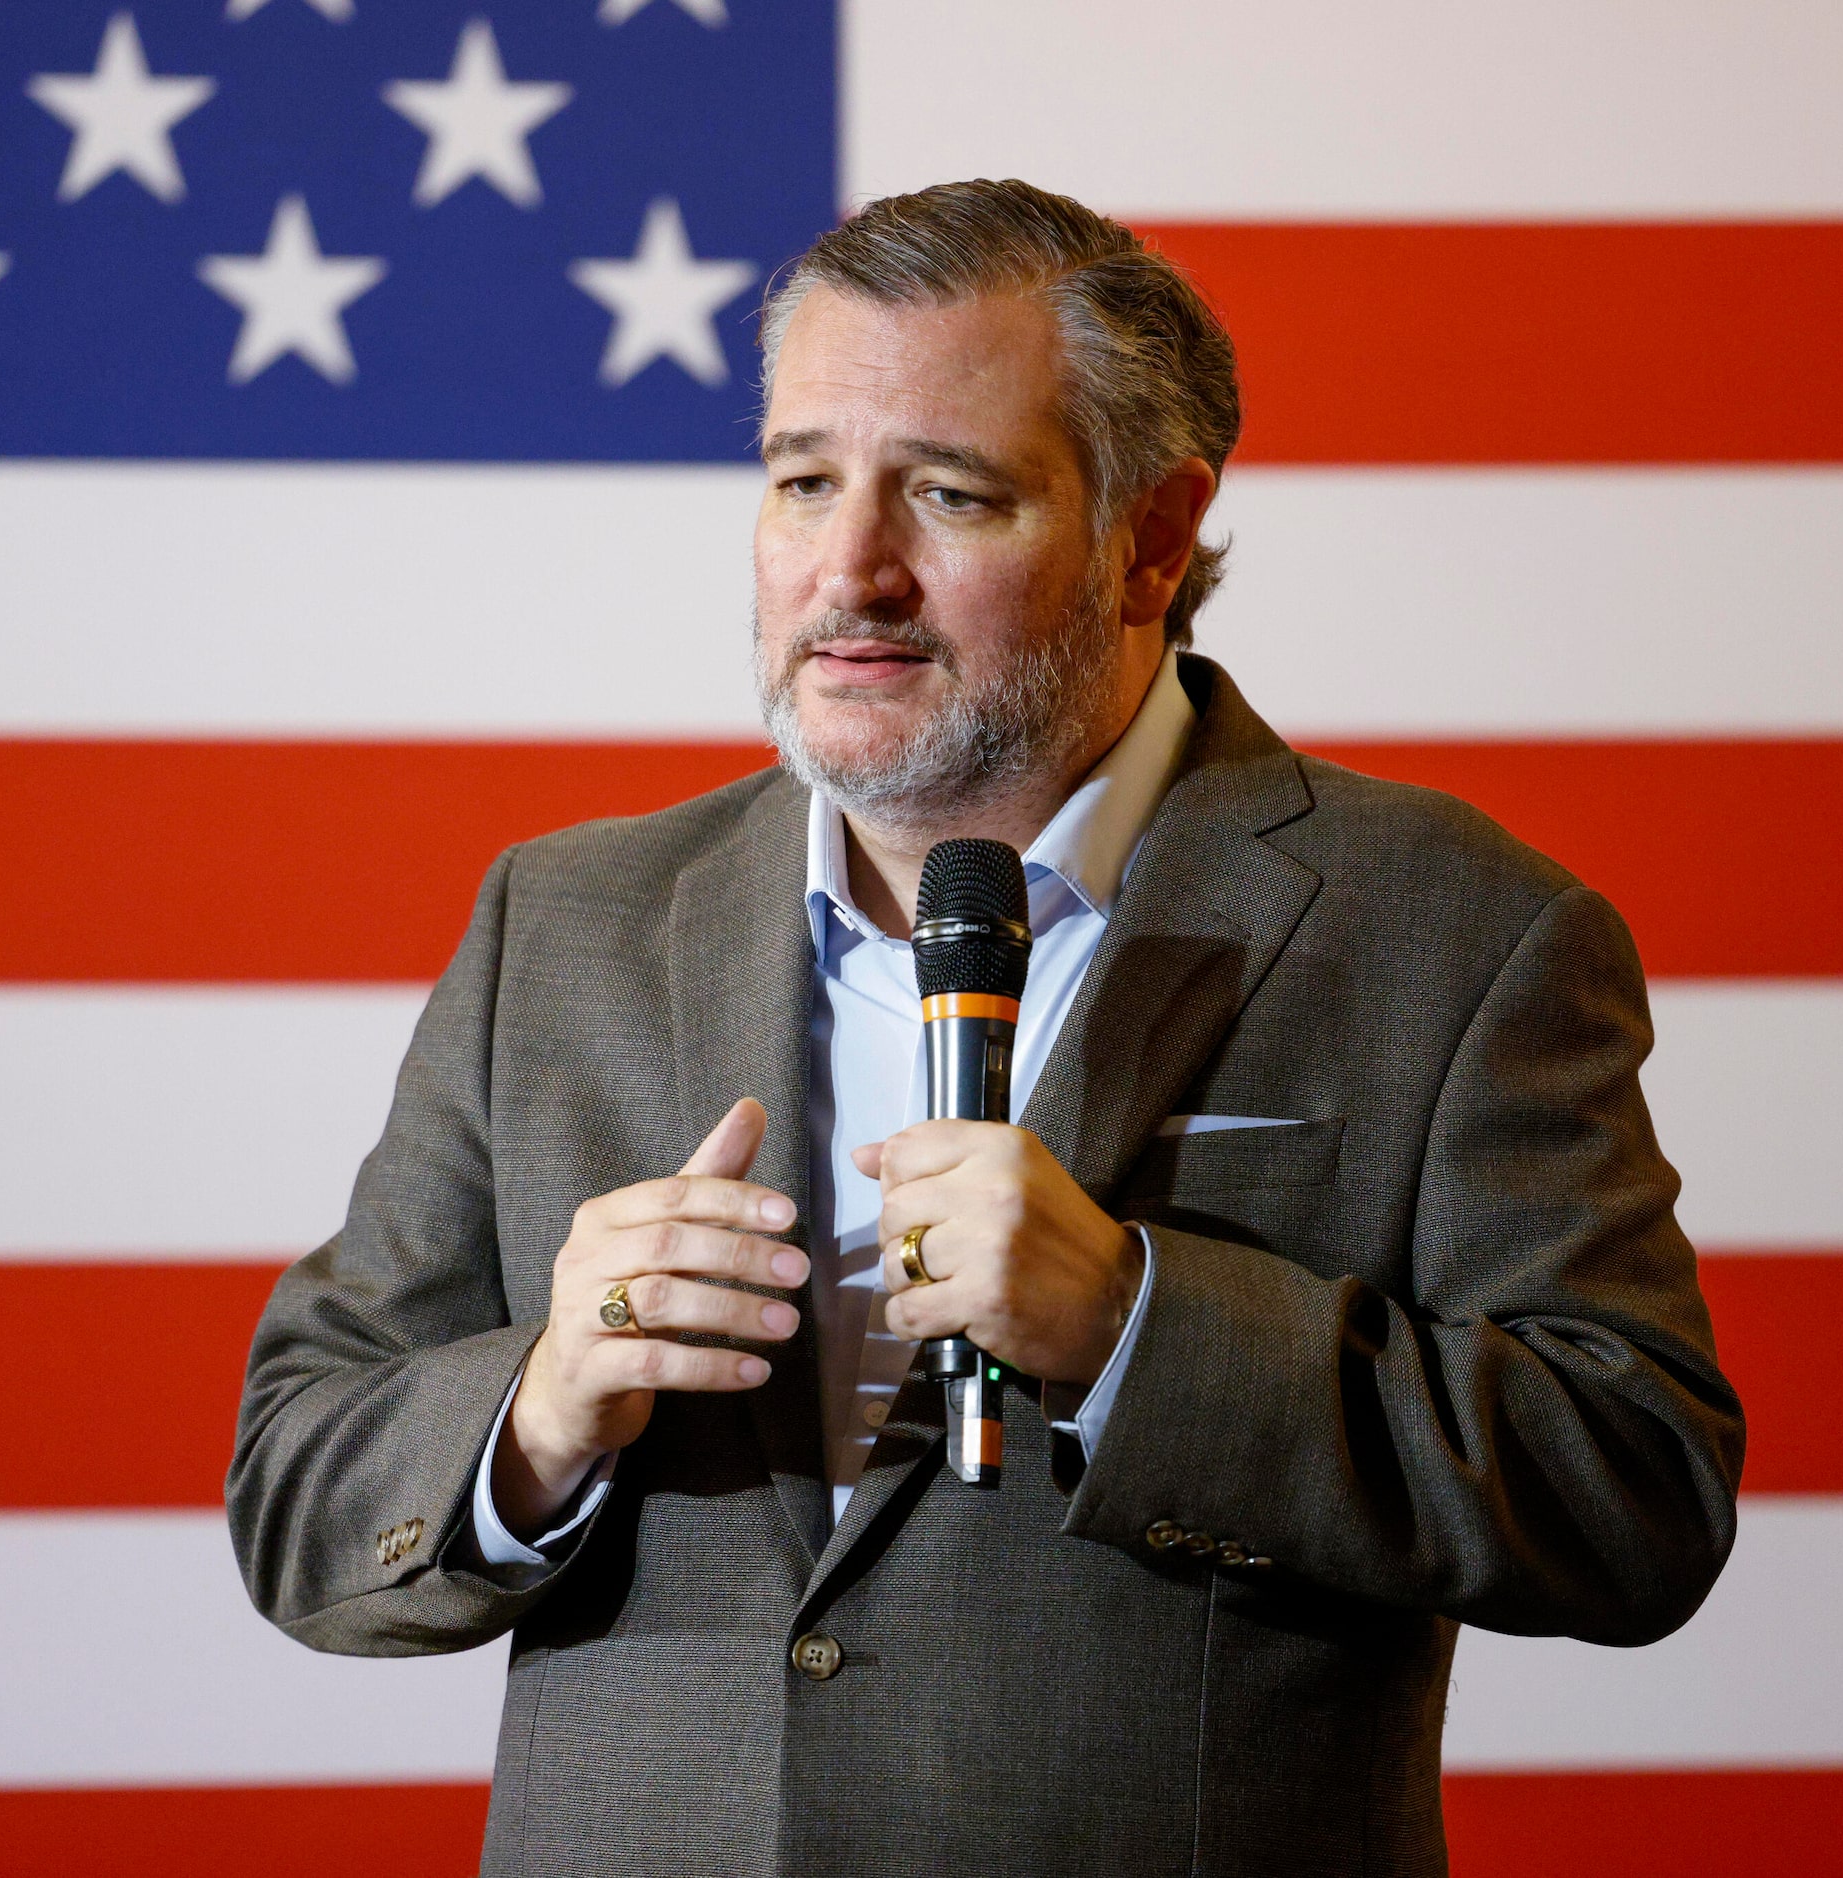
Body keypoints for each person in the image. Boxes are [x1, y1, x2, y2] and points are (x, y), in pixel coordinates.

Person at [228, 178, 1743, 1877]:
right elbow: (300, 1495)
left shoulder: (1456, 929)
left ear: (1153, 535)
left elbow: (1635, 1495)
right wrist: (544, 1403)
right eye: (804, 480)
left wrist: (1138, 1324)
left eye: (948, 493)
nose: (851, 571)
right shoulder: (563, 921)